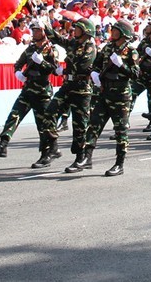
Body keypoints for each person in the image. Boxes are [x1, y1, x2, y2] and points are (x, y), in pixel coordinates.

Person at [0, 22, 57, 159]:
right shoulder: (30, 49)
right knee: (14, 116)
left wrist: (42, 61)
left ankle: (46, 153)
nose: (34, 33)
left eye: (37, 30)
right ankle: (3, 145)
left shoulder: (50, 49)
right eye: (33, 30)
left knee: (43, 125)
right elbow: (18, 64)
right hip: (28, 89)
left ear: (43, 32)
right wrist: (18, 73)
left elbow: (54, 70)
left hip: (42, 92)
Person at [35, 18, 97, 171]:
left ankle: (81, 158)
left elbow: (83, 66)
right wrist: (46, 27)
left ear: (86, 31)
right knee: (49, 113)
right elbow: (57, 38)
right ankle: (54, 145)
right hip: (68, 86)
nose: (74, 30)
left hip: (82, 89)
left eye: (77, 28)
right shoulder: (73, 43)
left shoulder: (90, 48)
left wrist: (66, 68)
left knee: (79, 125)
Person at [80, 19, 138, 176]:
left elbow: (135, 74)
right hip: (105, 93)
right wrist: (94, 73)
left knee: (120, 131)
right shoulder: (108, 48)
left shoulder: (131, 51)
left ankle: (119, 163)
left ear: (123, 33)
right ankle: (87, 157)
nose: (112, 31)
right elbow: (96, 64)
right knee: (94, 125)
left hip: (121, 96)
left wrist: (121, 65)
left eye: (116, 30)